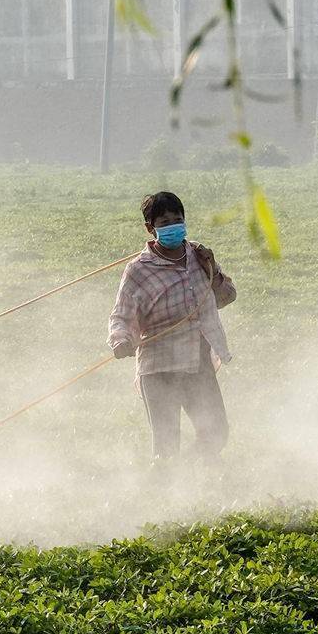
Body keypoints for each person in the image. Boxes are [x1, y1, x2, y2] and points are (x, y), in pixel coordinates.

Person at [106, 191, 237, 462]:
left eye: (177, 220)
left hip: (197, 363)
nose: (173, 227)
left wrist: (212, 269)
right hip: (159, 368)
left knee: (216, 433)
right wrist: (121, 340)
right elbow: (122, 316)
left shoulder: (200, 257)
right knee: (166, 450)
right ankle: (163, 492)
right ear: (150, 228)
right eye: (164, 222)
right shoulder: (139, 270)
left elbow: (226, 297)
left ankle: (187, 479)